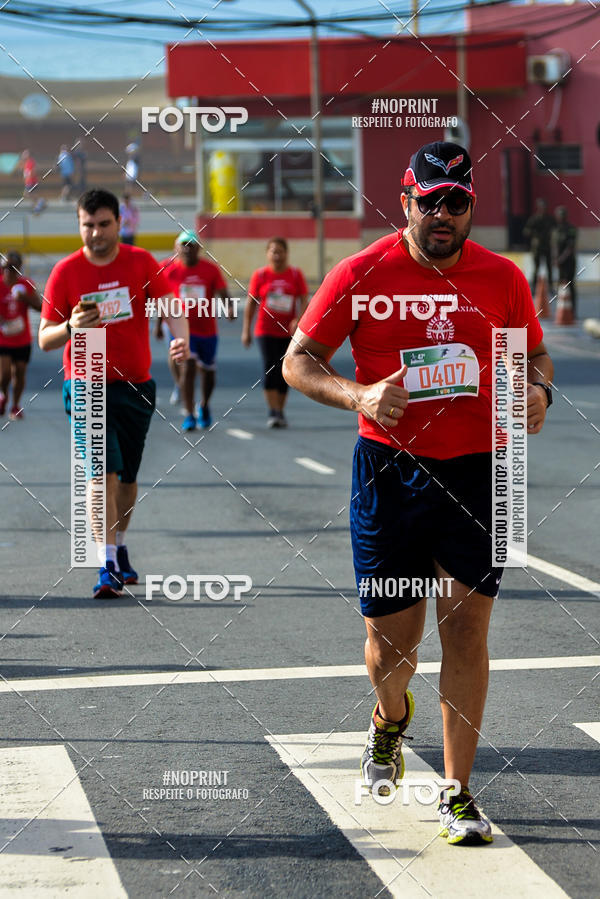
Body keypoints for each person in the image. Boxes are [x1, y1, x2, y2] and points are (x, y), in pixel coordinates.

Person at [283, 141, 554, 845]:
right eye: (429, 200)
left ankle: (458, 792)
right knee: (390, 646)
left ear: (471, 206)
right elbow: (297, 362)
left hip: (479, 470)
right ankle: (388, 717)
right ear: (404, 200)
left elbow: (535, 352)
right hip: (390, 476)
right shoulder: (362, 272)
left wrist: (537, 388)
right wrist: (359, 394)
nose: (443, 214)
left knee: (466, 629)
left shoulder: (500, 277)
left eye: (456, 201)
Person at [39, 188, 189, 599]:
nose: (96, 233)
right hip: (85, 381)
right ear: (79, 225)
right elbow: (45, 339)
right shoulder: (65, 272)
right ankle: (105, 563)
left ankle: (119, 546)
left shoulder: (140, 263)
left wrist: (180, 342)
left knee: (127, 479)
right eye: (88, 225)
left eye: (104, 224)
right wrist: (71, 326)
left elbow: (171, 306)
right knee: (99, 472)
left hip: (135, 384)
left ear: (119, 224)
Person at [161, 231, 231, 430]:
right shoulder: (168, 270)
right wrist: (159, 324)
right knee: (189, 366)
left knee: (208, 371)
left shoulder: (210, 270)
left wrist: (229, 308)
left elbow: (223, 292)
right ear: (176, 248)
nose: (187, 248)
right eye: (183, 244)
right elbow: (161, 297)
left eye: (191, 245)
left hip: (207, 330)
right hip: (182, 329)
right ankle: (190, 413)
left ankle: (205, 405)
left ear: (198, 248)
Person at [242, 237, 308, 428]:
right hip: (265, 331)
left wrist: (299, 320)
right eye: (273, 251)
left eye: (280, 251)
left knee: (284, 370)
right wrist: (246, 330)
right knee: (269, 368)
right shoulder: (260, 275)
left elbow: (304, 300)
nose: (277, 255)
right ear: (267, 254)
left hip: (289, 332)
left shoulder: (295, 275)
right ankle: (273, 411)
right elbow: (251, 304)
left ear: (286, 253)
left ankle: (280, 409)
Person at [0, 251, 42, 420]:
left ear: (19, 269)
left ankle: (16, 405)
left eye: (13, 268)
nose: (9, 271)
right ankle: (3, 395)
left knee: (20, 373)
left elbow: (40, 307)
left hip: (22, 338)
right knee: (4, 374)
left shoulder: (26, 284)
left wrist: (26, 298)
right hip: (3, 337)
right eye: (5, 268)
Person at [523, 198, 555, 295]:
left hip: (547, 246)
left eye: (545, 207)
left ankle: (550, 288)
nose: (543, 209)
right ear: (539, 208)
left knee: (549, 268)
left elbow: (555, 229)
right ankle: (533, 288)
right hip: (537, 247)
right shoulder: (534, 219)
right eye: (542, 207)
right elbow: (526, 231)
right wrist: (535, 235)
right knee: (536, 269)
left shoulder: (550, 219)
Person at [553, 206, 577, 316]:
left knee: (570, 285)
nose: (560, 217)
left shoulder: (571, 229)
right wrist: (555, 259)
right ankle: (561, 311)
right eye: (558, 215)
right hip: (560, 262)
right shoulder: (556, 230)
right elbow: (555, 246)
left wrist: (560, 260)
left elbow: (570, 247)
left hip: (569, 262)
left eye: (562, 215)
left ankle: (573, 311)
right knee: (560, 285)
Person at [19, 150, 46, 215]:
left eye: (25, 154)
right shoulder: (26, 162)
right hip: (29, 181)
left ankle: (40, 202)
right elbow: (25, 171)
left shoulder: (30, 162)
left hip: (31, 181)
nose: (23, 155)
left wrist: (31, 178)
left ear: (28, 155)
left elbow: (34, 170)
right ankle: (37, 207)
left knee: (26, 194)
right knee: (31, 195)